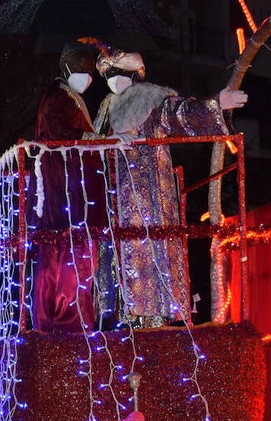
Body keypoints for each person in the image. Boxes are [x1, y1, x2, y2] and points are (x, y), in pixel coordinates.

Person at [92, 47, 248, 327]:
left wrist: (214, 105)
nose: (113, 80)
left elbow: (178, 114)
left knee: (150, 247)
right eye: (109, 75)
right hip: (113, 194)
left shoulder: (151, 98)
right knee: (116, 252)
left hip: (149, 190)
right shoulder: (105, 109)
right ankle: (119, 317)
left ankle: (151, 317)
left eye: (118, 73)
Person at [30, 38, 109, 333]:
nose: (87, 77)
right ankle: (67, 317)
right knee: (67, 252)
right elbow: (59, 131)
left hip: (71, 185)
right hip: (66, 188)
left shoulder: (66, 96)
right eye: (81, 68)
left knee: (69, 251)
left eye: (90, 71)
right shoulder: (57, 97)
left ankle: (70, 315)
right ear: (66, 67)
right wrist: (98, 140)